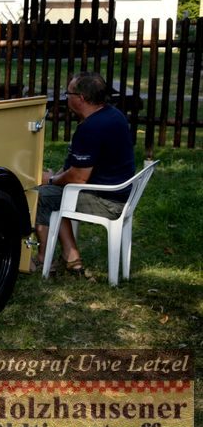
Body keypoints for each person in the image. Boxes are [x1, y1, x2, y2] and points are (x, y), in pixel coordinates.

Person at [34, 72, 135, 276]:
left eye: (68, 93)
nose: (66, 96)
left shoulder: (92, 127)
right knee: (53, 194)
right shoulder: (112, 114)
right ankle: (73, 260)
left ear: (80, 98)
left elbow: (78, 178)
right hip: (120, 194)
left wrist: (51, 179)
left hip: (107, 202)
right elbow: (74, 165)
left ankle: (46, 259)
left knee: (41, 196)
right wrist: (55, 179)